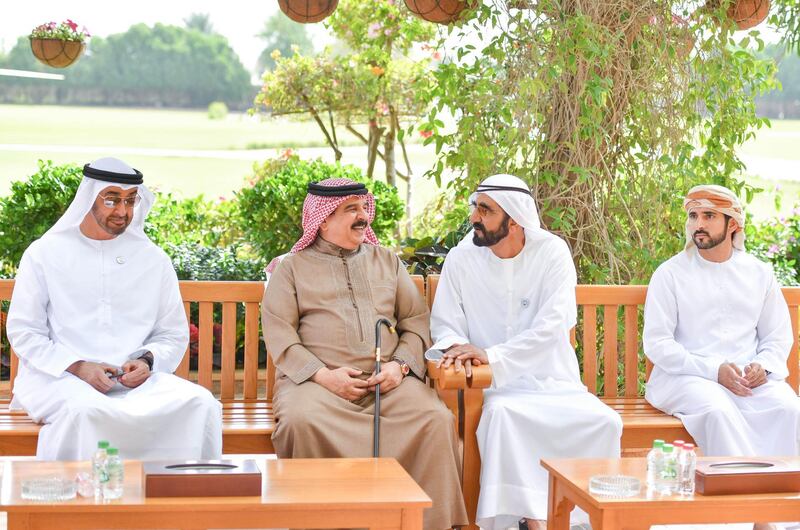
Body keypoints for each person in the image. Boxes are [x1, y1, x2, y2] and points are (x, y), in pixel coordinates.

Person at [262, 178, 467, 530]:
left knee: (435, 419)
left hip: (389, 383)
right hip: (317, 384)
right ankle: (319, 523)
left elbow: (416, 319)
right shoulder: (291, 269)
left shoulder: (386, 261)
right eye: (351, 210)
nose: (363, 217)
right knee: (300, 421)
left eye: (363, 208)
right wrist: (324, 376)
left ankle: (424, 524)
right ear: (322, 220)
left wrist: (400, 366)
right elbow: (280, 333)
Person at [430, 174, 622, 530]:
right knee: (503, 417)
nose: (474, 216)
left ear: (514, 219)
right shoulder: (461, 259)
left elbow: (552, 327)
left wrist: (494, 355)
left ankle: (585, 518)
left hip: (554, 381)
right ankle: (535, 522)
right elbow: (445, 325)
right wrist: (460, 351)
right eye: (475, 207)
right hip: (492, 387)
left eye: (485, 210)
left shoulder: (551, 253)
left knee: (605, 421)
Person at [7, 157, 222, 461]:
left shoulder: (152, 259)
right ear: (89, 197)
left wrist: (147, 361)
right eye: (111, 200)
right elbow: (25, 331)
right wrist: (79, 366)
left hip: (138, 384)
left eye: (130, 200)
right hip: (58, 378)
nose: (122, 211)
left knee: (201, 404)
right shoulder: (45, 254)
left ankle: (177, 504)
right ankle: (80, 506)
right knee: (85, 412)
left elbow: (171, 334)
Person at [644, 184, 799, 454]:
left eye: (709, 216)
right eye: (693, 216)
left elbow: (777, 335)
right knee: (718, 412)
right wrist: (714, 371)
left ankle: (779, 493)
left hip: (748, 381)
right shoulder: (669, 274)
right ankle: (736, 491)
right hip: (686, 377)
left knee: (788, 408)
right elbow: (658, 344)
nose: (698, 224)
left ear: (732, 225)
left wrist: (763, 366)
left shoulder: (759, 273)